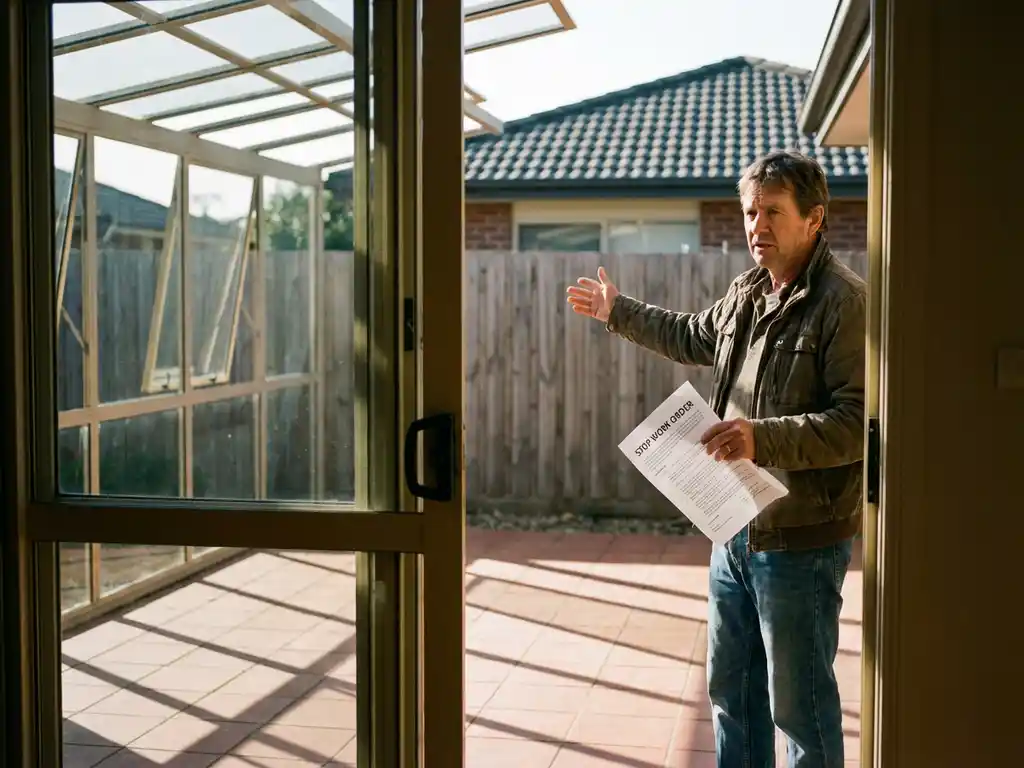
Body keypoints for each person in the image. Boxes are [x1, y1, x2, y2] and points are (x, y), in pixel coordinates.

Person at [566, 150, 866, 768]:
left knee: (801, 713)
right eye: (751, 212)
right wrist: (617, 311)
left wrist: (760, 436)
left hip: (800, 542)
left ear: (814, 219)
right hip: (732, 527)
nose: (757, 226)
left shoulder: (845, 301)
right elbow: (692, 335)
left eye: (773, 212)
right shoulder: (747, 291)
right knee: (732, 697)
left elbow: (855, 425)